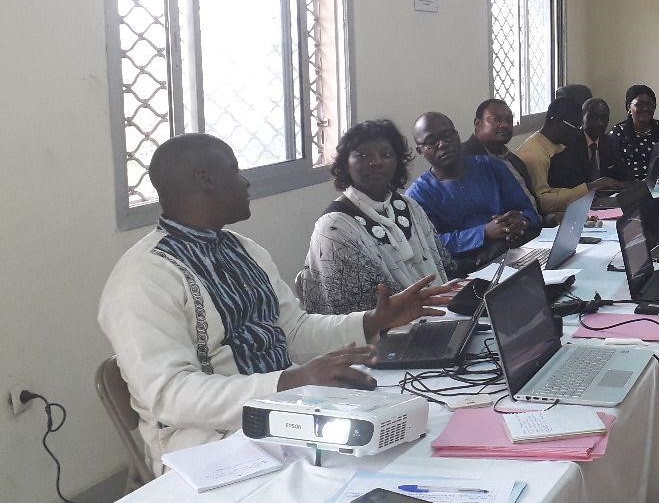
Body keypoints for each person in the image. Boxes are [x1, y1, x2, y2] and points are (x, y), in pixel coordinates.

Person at [98, 134, 458, 472]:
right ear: (205, 179)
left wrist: (374, 321)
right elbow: (169, 395)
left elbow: (294, 332)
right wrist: (288, 381)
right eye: (235, 171)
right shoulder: (143, 278)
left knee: (417, 428)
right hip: (208, 443)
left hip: (289, 413)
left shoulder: (243, 250)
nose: (245, 182)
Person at [300, 120, 459, 315]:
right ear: (345, 164)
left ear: (397, 162)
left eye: (386, 155)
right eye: (363, 155)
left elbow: (446, 266)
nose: (376, 162)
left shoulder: (410, 206)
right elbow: (358, 308)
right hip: (383, 328)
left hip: (439, 314)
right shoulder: (334, 227)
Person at [407, 112, 540, 270]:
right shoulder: (417, 195)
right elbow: (430, 245)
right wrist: (483, 233)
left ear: (457, 135)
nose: (442, 144)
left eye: (447, 135)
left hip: (518, 252)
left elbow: (528, 210)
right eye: (431, 141)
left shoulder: (491, 166)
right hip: (468, 270)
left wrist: (522, 221)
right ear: (420, 151)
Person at [516, 97, 616, 223]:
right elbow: (541, 202)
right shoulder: (535, 154)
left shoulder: (557, 145)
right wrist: (589, 188)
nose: (578, 132)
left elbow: (558, 188)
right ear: (555, 120)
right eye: (575, 127)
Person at [462, 99, 537, 202]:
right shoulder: (463, 159)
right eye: (496, 119)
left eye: (509, 120)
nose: (505, 125)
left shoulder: (515, 161)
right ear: (478, 123)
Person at [608, 84, 659, 180]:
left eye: (650, 104)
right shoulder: (617, 133)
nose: (645, 108)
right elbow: (612, 171)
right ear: (629, 107)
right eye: (639, 104)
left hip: (658, 184)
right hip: (627, 186)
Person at [580, 97, 628, 181]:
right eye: (594, 117)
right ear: (581, 118)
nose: (599, 123)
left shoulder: (611, 144)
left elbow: (621, 175)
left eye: (603, 118)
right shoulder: (570, 144)